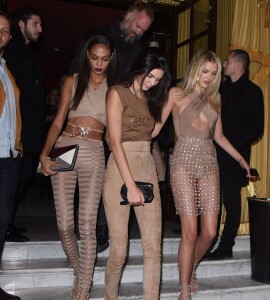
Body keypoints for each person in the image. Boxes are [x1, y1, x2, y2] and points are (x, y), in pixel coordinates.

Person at [151, 49, 254, 299]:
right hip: (183, 162)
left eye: (214, 73)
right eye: (205, 71)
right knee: (190, 232)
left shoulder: (215, 97)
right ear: (196, 68)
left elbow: (218, 137)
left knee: (209, 232)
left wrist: (242, 161)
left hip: (209, 163)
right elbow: (155, 128)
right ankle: (184, 289)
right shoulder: (175, 93)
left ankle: (191, 268)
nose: (208, 77)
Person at [69, 0, 154, 252]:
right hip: (92, 115)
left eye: (144, 30)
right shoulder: (101, 34)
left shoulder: (138, 48)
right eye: (137, 26)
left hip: (120, 117)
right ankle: (85, 224)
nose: (139, 32)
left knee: (114, 172)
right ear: (128, 15)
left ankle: (102, 227)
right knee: (88, 174)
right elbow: (76, 71)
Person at [39, 35, 117, 300]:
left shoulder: (114, 88)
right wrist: (44, 154)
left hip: (94, 151)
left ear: (111, 59)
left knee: (87, 223)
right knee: (64, 224)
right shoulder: (72, 82)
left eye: (105, 59)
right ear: (87, 56)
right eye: (95, 57)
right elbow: (59, 119)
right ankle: (78, 267)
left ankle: (84, 285)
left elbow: (114, 133)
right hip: (65, 146)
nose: (99, 63)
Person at [103, 47, 171, 299]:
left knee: (154, 248)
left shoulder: (152, 99)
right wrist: (131, 186)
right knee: (119, 251)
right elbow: (114, 142)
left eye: (157, 79)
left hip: (147, 164)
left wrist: (165, 109)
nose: (152, 83)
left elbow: (150, 134)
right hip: (120, 170)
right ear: (140, 68)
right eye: (150, 76)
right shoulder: (117, 93)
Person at [207, 49, 264, 260]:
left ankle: (226, 245)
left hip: (233, 155)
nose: (223, 64)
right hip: (212, 152)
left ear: (239, 64)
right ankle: (205, 235)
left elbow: (256, 129)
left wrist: (229, 144)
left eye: (227, 61)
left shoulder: (252, 91)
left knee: (230, 200)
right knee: (209, 197)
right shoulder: (220, 89)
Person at [4, 6, 44, 242]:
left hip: (29, 132)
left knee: (21, 178)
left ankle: (7, 222)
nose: (40, 29)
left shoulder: (26, 53)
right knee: (14, 180)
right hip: (17, 132)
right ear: (21, 24)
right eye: (35, 24)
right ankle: (4, 224)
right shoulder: (12, 52)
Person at [0, 10, 22, 300]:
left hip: (7, 157)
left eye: (4, 30)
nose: (0, 34)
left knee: (2, 220)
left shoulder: (6, 70)